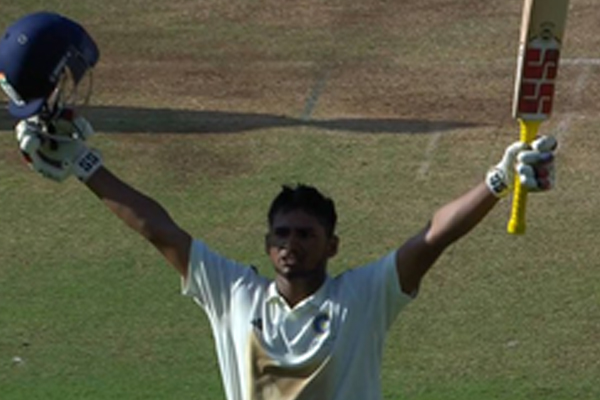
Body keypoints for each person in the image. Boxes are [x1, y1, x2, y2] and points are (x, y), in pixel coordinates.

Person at [0, 11, 557, 400]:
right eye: (283, 235)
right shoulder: (234, 296)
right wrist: (86, 167)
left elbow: (432, 237)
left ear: (332, 245)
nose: (292, 245)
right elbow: (159, 230)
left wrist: (498, 180)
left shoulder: (363, 300)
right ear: (267, 245)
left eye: (306, 235)